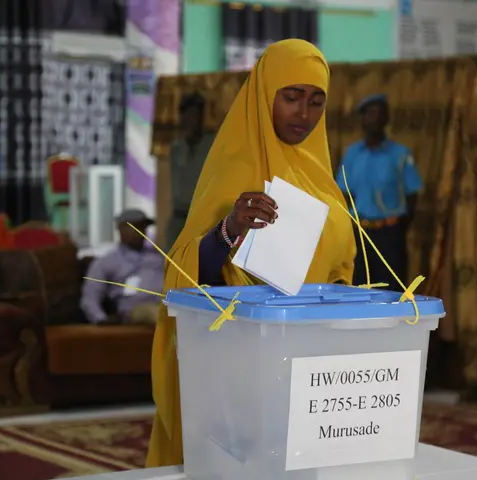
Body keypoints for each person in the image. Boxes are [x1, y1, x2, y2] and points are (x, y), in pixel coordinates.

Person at [146, 39, 356, 467]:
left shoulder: (320, 176)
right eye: (292, 97)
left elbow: (339, 272)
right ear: (265, 95)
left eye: (317, 101)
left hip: (310, 359)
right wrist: (230, 228)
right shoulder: (235, 168)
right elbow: (183, 276)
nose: (304, 113)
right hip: (241, 360)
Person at [336, 94, 423, 291]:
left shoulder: (400, 155)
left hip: (389, 234)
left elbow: (412, 194)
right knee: (358, 290)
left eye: (380, 113)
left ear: (387, 119)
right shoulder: (352, 154)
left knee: (391, 292)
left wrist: (399, 227)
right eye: (370, 113)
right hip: (359, 234)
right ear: (363, 119)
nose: (375, 118)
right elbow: (342, 191)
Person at [80, 209, 164, 325]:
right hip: (138, 308)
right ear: (121, 229)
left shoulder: (159, 256)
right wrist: (101, 319)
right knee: (161, 314)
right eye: (136, 227)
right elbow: (90, 297)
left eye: (143, 227)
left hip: (170, 302)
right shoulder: (107, 261)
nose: (141, 231)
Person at [165, 92, 216, 250]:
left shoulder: (212, 145)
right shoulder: (177, 147)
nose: (191, 120)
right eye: (187, 115)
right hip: (179, 218)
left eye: (195, 115)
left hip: (203, 219)